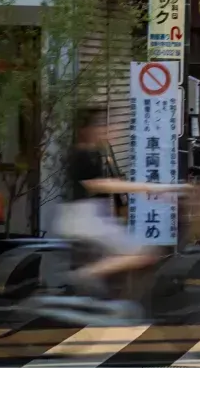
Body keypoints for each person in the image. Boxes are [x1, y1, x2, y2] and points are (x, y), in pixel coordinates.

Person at [53, 108, 179, 315]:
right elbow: (99, 185)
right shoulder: (80, 154)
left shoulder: (95, 152)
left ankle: (102, 296)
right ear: (87, 129)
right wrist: (148, 188)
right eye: (103, 126)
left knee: (126, 255)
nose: (110, 130)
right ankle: (83, 276)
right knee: (142, 253)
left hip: (92, 216)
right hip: (83, 218)